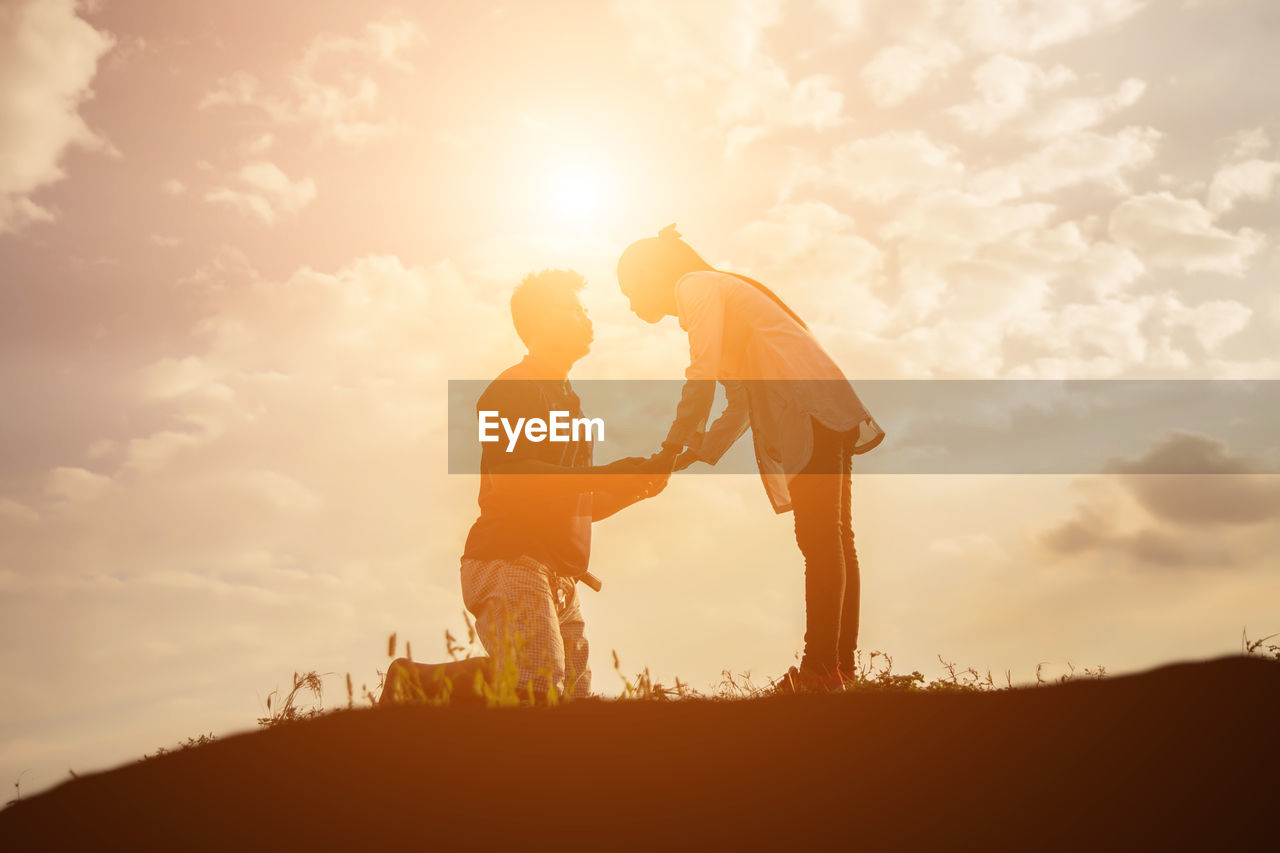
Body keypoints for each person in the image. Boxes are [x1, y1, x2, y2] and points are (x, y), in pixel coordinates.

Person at [617, 225, 884, 693]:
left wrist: (670, 446)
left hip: (805, 406)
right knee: (836, 536)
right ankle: (839, 670)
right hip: (824, 404)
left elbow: (700, 372)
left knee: (821, 538)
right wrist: (689, 453)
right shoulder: (717, 288)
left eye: (628, 288)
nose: (629, 302)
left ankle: (820, 671)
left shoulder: (694, 286)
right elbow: (738, 402)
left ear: (651, 273)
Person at [449, 268, 665, 703]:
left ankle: (421, 684)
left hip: (559, 577)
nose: (586, 318)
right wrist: (611, 473)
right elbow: (512, 480)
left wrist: (635, 486)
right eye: (571, 308)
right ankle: (420, 687)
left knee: (574, 705)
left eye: (585, 309)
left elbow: (580, 500)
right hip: (510, 558)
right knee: (537, 690)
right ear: (536, 324)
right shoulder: (509, 389)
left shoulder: (573, 406)